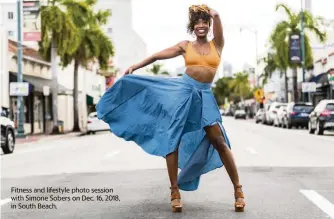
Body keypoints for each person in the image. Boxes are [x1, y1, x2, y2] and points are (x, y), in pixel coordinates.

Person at [96, 4, 246, 213]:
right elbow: (158, 55)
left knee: (219, 140)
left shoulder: (217, 44)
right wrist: (136, 66)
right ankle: (174, 191)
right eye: (197, 22)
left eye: (204, 22)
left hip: (204, 96)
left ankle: (238, 190)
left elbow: (217, 14)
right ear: (192, 27)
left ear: (209, 25)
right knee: (172, 139)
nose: (201, 25)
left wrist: (205, 9)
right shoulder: (186, 46)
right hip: (182, 93)